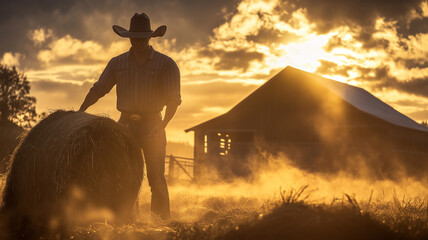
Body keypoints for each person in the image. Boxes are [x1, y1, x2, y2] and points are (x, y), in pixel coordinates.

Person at [79, 13, 181, 220]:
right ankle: (124, 220)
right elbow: (99, 89)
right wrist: (80, 111)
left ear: (150, 38)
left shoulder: (166, 65)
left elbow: (173, 100)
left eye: (142, 38)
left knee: (156, 178)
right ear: (129, 38)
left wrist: (162, 125)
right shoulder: (117, 64)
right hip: (124, 125)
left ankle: (160, 223)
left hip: (153, 124)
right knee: (121, 176)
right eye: (135, 38)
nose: (139, 42)